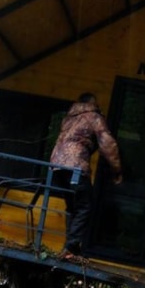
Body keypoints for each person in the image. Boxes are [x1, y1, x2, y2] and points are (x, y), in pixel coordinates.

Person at [49, 92, 123, 260]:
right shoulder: (93, 117)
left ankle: (70, 248)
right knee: (84, 206)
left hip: (56, 166)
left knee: (72, 207)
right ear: (91, 103)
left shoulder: (69, 118)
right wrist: (117, 170)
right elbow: (108, 144)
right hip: (75, 167)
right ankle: (71, 247)